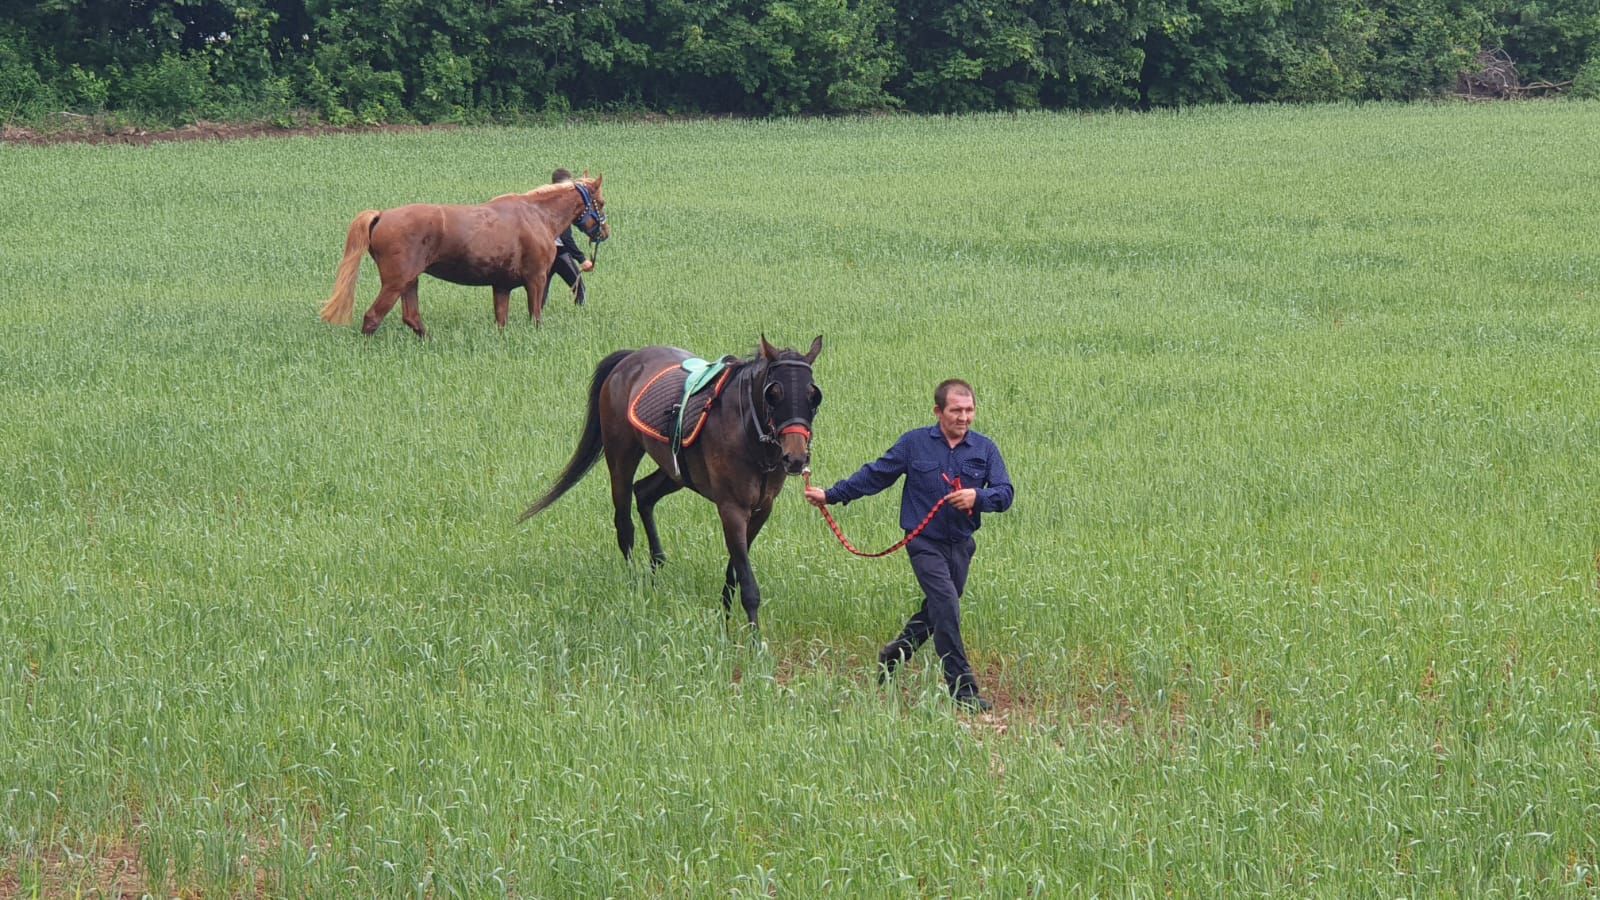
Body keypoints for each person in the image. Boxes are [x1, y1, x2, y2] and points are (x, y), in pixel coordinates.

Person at [805, 379, 1014, 711]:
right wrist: (831, 495)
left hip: (961, 544)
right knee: (946, 605)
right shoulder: (914, 444)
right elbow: (876, 474)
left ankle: (894, 655)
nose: (964, 417)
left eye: (969, 410)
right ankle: (963, 691)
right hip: (923, 541)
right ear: (938, 411)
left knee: (936, 611)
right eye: (956, 410)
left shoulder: (985, 449)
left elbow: (1005, 493)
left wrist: (979, 496)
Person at [546, 167, 595, 306]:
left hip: (543, 253)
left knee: (541, 293)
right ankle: (581, 316)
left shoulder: (545, 200)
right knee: (579, 288)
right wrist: (582, 259)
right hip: (559, 253)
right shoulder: (561, 205)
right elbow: (565, 237)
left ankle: (535, 322)